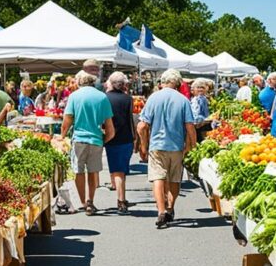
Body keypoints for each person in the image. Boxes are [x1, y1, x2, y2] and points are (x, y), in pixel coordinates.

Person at [138, 69, 196, 228]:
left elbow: (142, 126)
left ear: (162, 82)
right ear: (178, 84)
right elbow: (190, 126)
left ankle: (161, 211)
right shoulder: (183, 100)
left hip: (157, 145)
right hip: (177, 146)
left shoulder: (153, 98)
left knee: (158, 178)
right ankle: (170, 208)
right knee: (174, 178)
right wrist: (192, 145)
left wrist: (144, 145)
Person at [60, 70, 114, 215]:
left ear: (79, 83)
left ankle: (83, 202)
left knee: (78, 171)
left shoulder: (74, 96)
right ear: (93, 83)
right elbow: (110, 128)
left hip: (79, 138)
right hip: (96, 139)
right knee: (92, 171)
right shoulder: (102, 97)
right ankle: (90, 201)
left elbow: (67, 121)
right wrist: (104, 140)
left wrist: (62, 136)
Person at [104, 71, 136, 212]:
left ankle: (121, 200)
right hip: (126, 137)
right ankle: (122, 198)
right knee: (121, 170)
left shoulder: (105, 98)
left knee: (117, 171)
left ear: (110, 82)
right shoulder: (128, 99)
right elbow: (131, 119)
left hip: (112, 137)